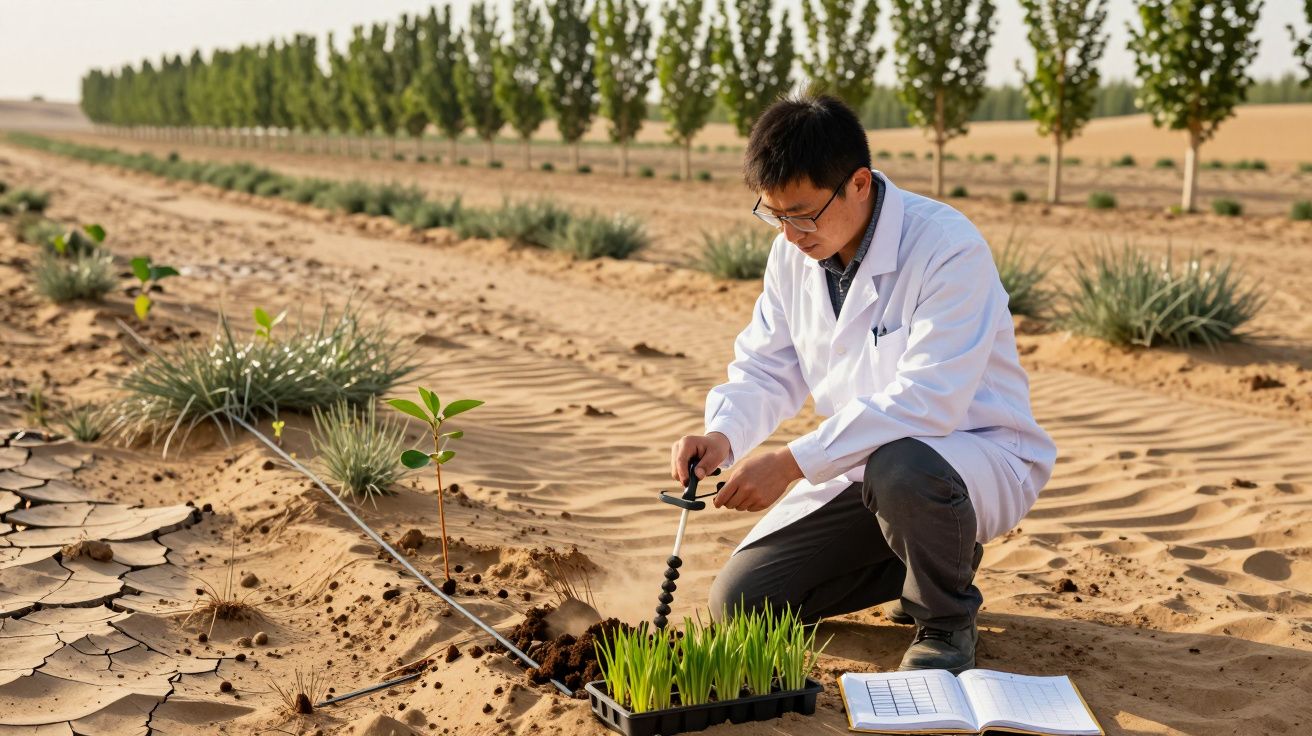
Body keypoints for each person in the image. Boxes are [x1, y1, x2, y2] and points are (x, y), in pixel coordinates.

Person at [669, 91, 1056, 674]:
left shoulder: (947, 248)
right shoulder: (792, 255)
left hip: (968, 455)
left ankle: (945, 622)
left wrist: (791, 463)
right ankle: (933, 556)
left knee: (902, 465)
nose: (790, 233)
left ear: (858, 183)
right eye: (774, 214)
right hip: (860, 466)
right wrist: (723, 435)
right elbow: (769, 365)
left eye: (802, 213)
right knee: (742, 604)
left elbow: (928, 401)